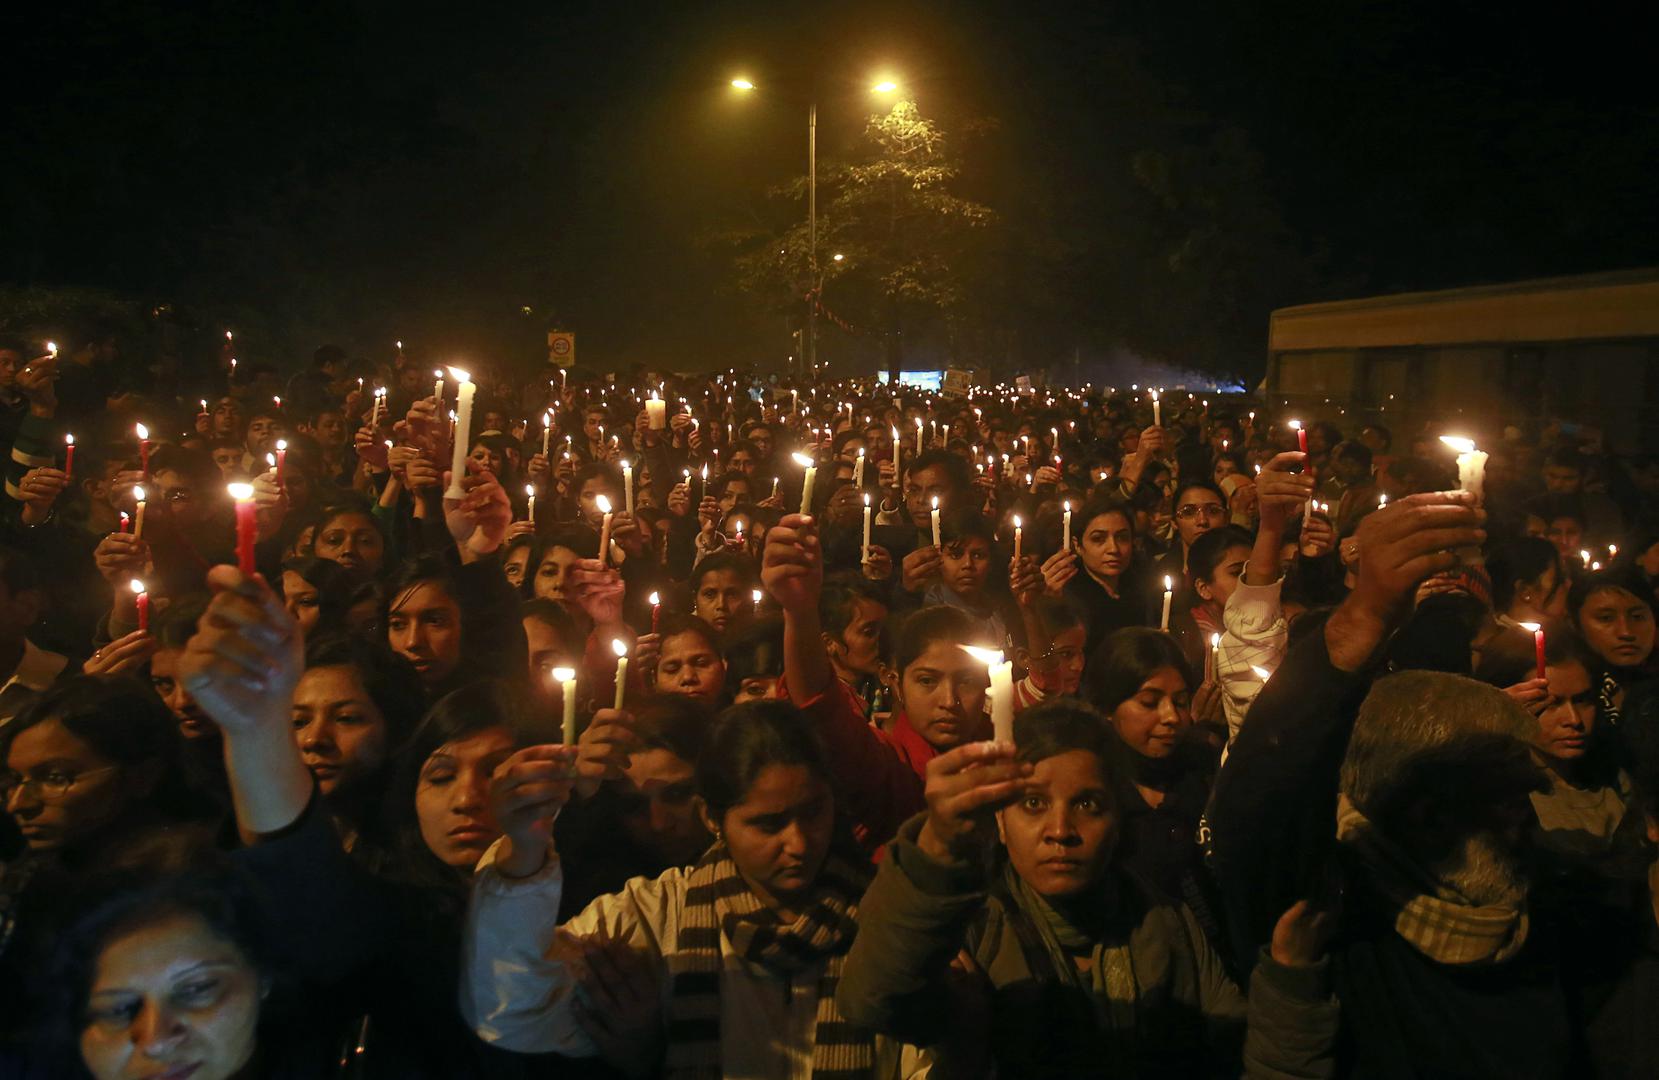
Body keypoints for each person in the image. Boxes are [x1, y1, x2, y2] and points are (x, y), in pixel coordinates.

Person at [837, 699, 1337, 1077]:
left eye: (1089, 805)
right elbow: (873, 999)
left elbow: (1237, 1059)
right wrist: (936, 848)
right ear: (1002, 822)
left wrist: (1291, 985)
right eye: (1033, 804)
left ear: (1118, 820)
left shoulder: (1164, 923)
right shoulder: (972, 929)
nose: (1061, 830)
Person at [460, 701, 879, 1078]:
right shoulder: (655, 915)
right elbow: (512, 1008)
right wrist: (524, 849)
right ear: (714, 818)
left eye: (813, 812)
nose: (800, 843)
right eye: (768, 824)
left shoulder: (884, 914)